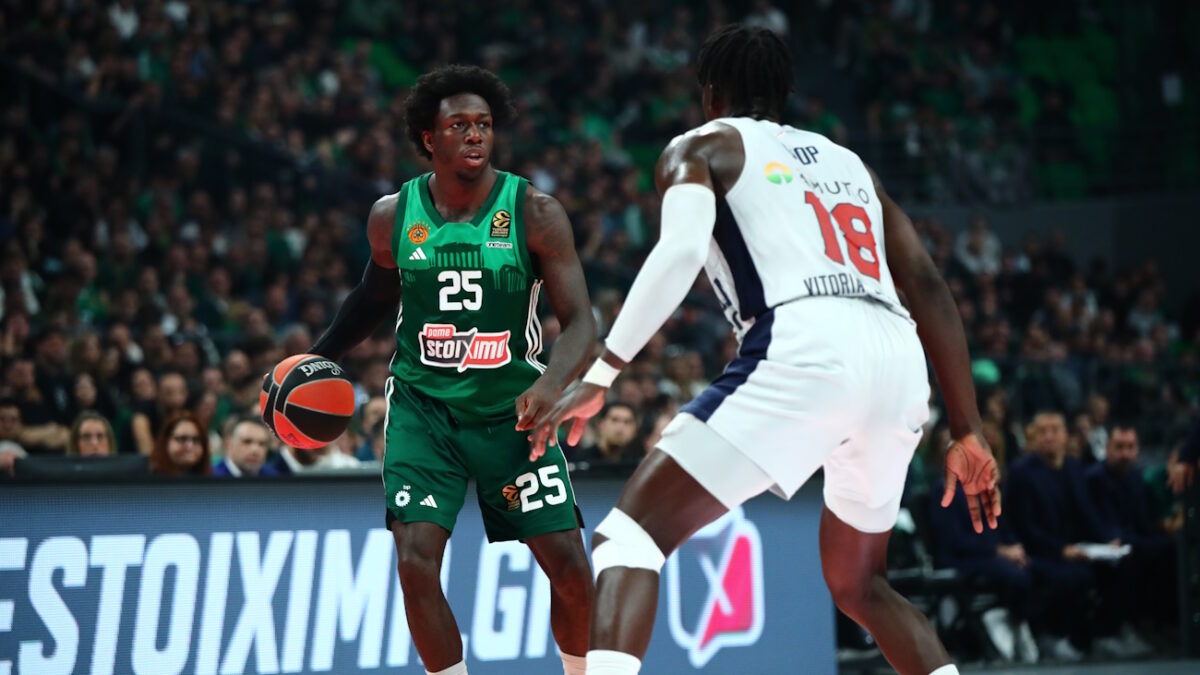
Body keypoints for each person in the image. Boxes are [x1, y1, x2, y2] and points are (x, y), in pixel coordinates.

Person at [529, 25, 999, 675]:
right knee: (862, 584)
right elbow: (927, 284)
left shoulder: (701, 146)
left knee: (628, 539)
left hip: (803, 343)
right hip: (896, 357)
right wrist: (967, 427)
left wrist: (605, 369)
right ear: (784, 94)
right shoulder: (850, 164)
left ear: (709, 94)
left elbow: (681, 251)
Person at [302, 65, 596, 675]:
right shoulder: (393, 216)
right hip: (424, 410)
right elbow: (374, 296)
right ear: (428, 138)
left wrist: (550, 384)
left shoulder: (535, 212)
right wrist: (320, 355)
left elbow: (581, 325)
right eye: (458, 125)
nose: (474, 135)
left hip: (513, 413)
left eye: (483, 124)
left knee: (569, 566)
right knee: (414, 563)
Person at [1006, 411, 1116, 659]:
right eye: (1042, 432)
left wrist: (1107, 540)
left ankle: (1107, 634)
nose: (1049, 437)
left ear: (1065, 435)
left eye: (1054, 430)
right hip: (1037, 552)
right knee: (1073, 578)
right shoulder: (1021, 472)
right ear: (1033, 437)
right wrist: (1060, 550)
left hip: (1075, 548)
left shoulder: (1074, 468)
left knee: (1116, 566)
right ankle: (1056, 636)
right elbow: (1023, 526)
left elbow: (1088, 512)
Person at [214, 416, 287, 477]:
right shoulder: (212, 478)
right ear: (228, 444)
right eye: (247, 442)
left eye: (262, 444)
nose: (255, 450)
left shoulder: (274, 478)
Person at [574, 402, 639, 465]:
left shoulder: (638, 464)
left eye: (627, 422)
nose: (620, 428)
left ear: (634, 430)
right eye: (614, 420)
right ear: (601, 425)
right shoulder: (581, 461)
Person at [149, 411, 212, 477]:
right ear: (165, 441)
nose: (190, 446)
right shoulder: (146, 472)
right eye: (182, 439)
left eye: (196, 440)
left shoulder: (210, 479)